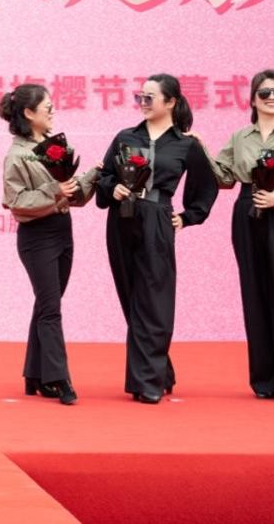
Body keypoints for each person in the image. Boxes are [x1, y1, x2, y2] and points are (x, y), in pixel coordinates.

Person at [94, 74, 218, 404]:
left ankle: (147, 381)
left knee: (155, 299)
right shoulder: (125, 137)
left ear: (171, 102)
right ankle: (159, 372)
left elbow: (206, 187)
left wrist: (188, 217)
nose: (143, 103)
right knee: (132, 297)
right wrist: (112, 188)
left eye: (150, 97)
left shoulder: (186, 144)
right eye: (141, 97)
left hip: (157, 220)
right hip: (121, 220)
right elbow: (104, 176)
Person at [196, 70, 274, 404]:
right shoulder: (240, 138)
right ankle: (265, 380)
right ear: (252, 99)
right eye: (264, 93)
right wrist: (202, 149)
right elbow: (224, 178)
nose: (272, 97)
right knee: (254, 296)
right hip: (247, 214)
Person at [0, 84, 98, 406]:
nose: (53, 112)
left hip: (62, 231)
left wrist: (94, 176)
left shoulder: (55, 146)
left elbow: (72, 196)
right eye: (48, 108)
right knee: (51, 309)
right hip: (37, 237)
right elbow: (16, 202)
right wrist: (54, 191)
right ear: (29, 113)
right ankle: (58, 378)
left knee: (46, 305)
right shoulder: (16, 155)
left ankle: (34, 375)